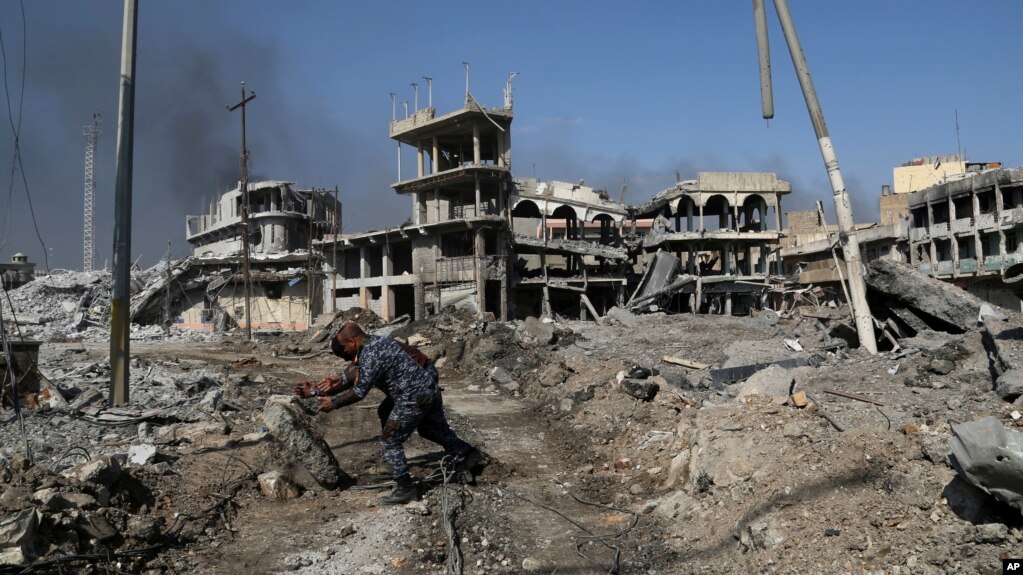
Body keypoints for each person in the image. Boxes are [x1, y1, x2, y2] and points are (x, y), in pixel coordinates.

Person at [293, 322, 480, 504]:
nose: (349, 359)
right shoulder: (376, 344)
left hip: (413, 396)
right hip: (426, 390)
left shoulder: (372, 353)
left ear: (352, 342)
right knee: (423, 426)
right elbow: (351, 374)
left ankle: (406, 488)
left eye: (346, 352)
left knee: (390, 440)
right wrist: (318, 390)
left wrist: (333, 403)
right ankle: (466, 453)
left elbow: (359, 391)